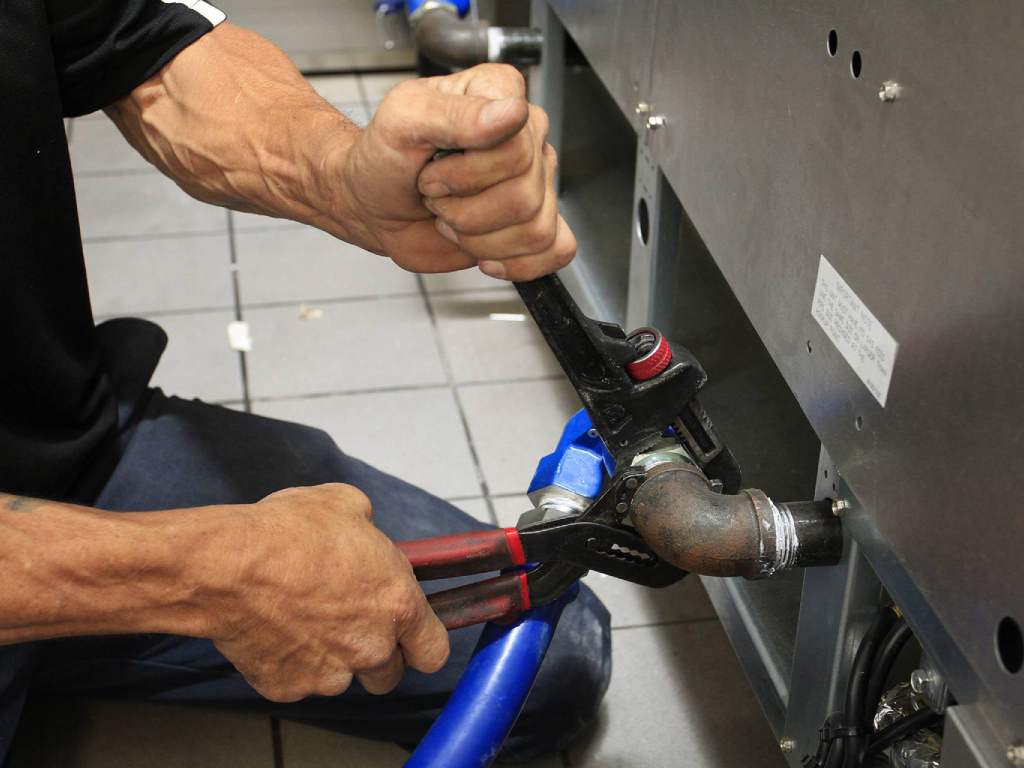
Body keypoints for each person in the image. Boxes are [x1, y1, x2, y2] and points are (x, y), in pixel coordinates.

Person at [0, 1, 611, 764]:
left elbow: (145, 52)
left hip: (57, 451)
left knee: (556, 656)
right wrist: (199, 574)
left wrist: (347, 175)